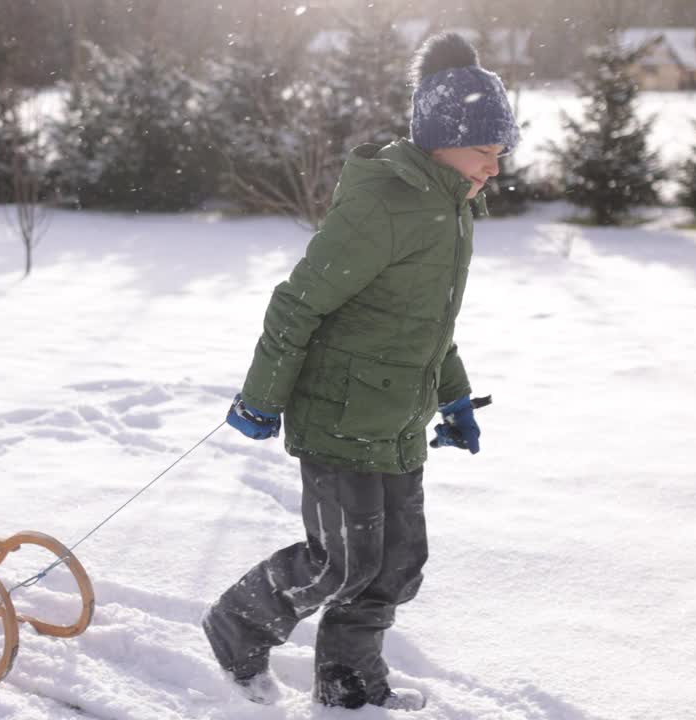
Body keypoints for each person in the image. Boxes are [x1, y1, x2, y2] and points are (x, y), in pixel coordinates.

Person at [202, 32, 521, 711]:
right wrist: (261, 399)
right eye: (485, 152)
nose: (495, 168)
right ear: (442, 139)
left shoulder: (451, 209)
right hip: (339, 416)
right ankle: (236, 627)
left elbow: (426, 326)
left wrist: (454, 400)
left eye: (500, 155)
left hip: (398, 421)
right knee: (338, 561)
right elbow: (298, 302)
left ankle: (350, 683)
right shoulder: (385, 204)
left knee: (398, 563)